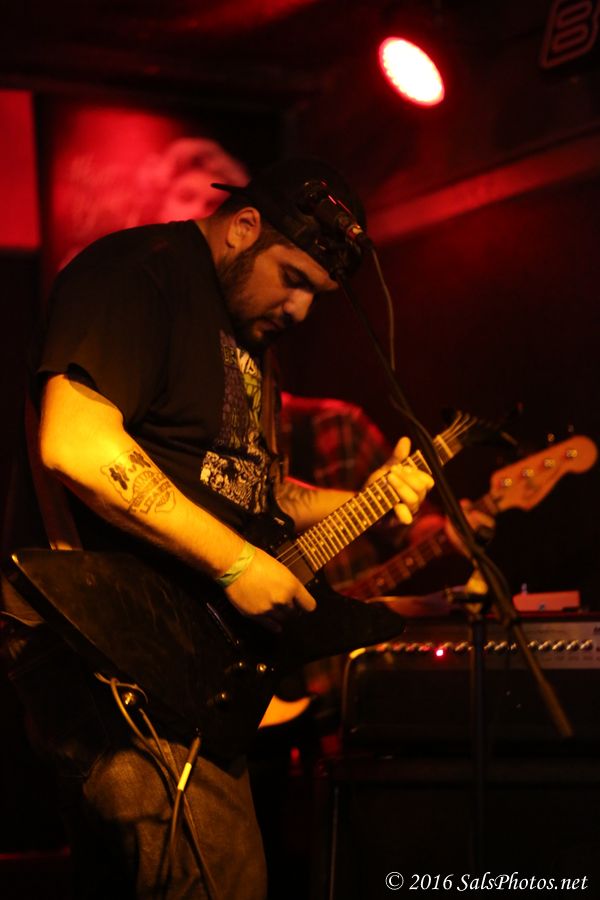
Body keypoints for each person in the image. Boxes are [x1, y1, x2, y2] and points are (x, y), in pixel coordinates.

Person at [0, 158, 434, 900]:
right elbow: (75, 444)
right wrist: (236, 564)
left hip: (184, 657)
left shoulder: (249, 340)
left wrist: (365, 498)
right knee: (220, 879)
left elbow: (254, 493)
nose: (300, 309)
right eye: (293, 278)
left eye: (316, 295)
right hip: (108, 641)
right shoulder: (141, 274)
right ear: (243, 228)